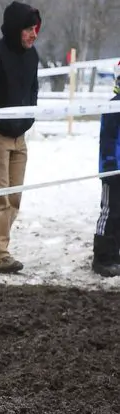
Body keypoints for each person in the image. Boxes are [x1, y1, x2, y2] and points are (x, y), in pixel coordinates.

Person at [0, 1, 41, 273]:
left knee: (13, 199)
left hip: (19, 136)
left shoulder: (33, 55)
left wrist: (28, 117)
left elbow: (33, 89)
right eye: (28, 29)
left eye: (36, 29)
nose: (33, 34)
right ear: (15, 29)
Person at [93, 60, 120, 277]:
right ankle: (103, 257)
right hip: (114, 170)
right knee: (111, 212)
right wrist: (109, 165)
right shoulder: (114, 106)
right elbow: (107, 139)